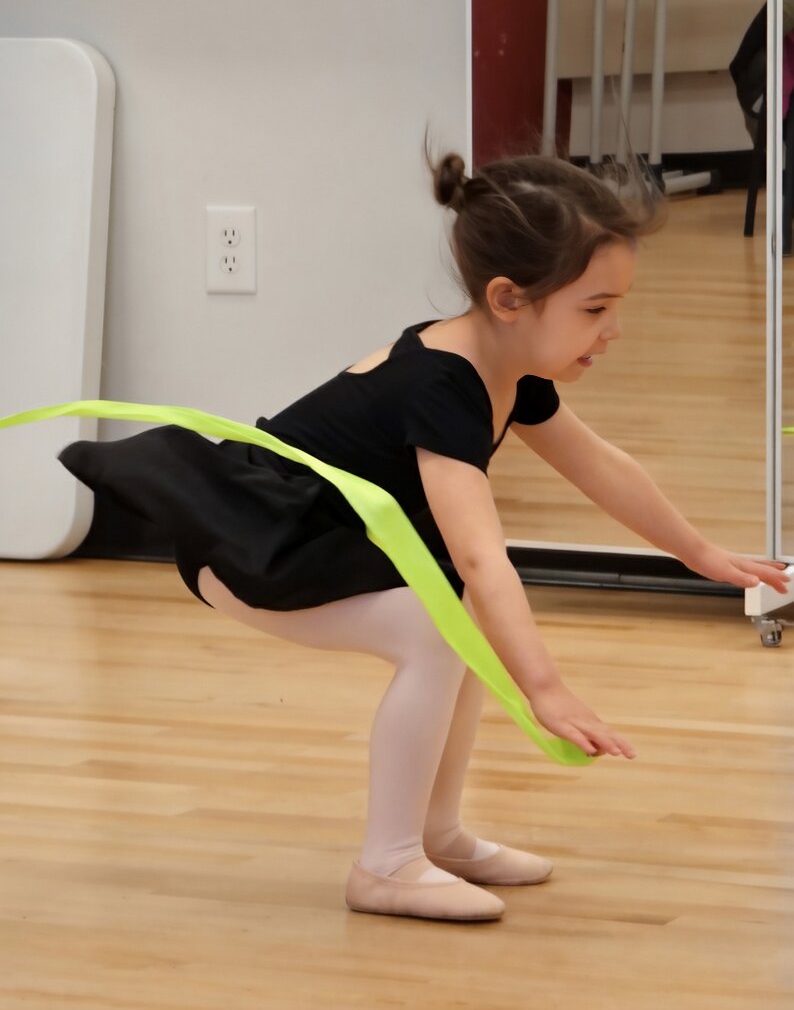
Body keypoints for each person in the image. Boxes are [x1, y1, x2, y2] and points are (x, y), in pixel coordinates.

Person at [59, 148, 791, 924]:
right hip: (256, 542)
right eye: (594, 309)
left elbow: (601, 466)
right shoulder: (442, 383)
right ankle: (387, 864)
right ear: (509, 298)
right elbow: (479, 554)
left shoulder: (508, 360)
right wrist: (543, 687)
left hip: (314, 538)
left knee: (453, 621)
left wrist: (701, 554)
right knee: (442, 628)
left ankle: (435, 837)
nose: (613, 330)